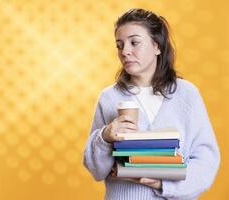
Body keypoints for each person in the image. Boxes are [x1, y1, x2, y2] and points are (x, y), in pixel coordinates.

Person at [83, 8, 220, 200]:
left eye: (134, 42)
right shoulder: (109, 98)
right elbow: (96, 170)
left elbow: (206, 162)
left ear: (157, 46)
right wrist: (105, 136)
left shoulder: (187, 94)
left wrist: (160, 183)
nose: (125, 52)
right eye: (119, 45)